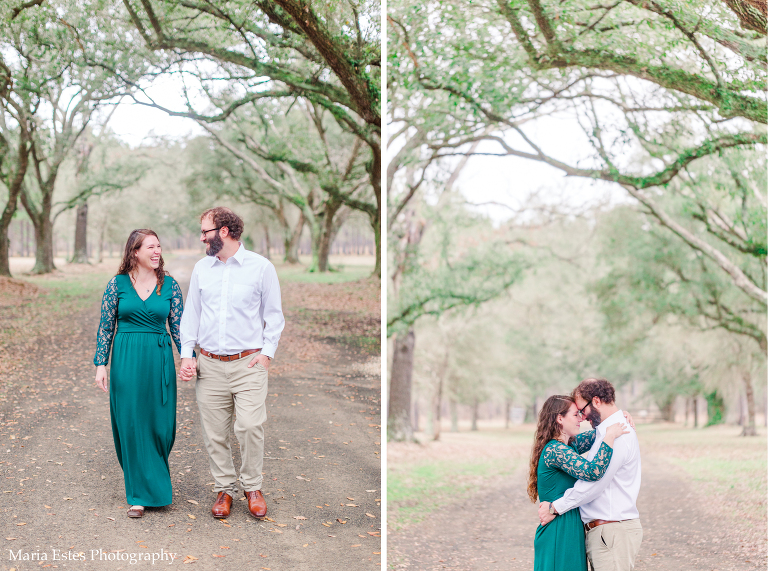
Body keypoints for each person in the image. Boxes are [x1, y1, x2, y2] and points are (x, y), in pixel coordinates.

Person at [178, 207, 284, 520]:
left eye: (204, 232)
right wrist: (188, 355)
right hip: (209, 365)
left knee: (250, 426)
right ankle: (224, 489)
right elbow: (192, 314)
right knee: (215, 433)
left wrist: (266, 354)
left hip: (249, 363)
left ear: (223, 231)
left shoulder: (261, 268)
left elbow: (274, 315)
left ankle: (253, 487)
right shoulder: (202, 268)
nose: (201, 238)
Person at [94, 229, 184, 518]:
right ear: (134, 252)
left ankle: (153, 481)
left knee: (160, 426)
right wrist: (100, 364)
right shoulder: (116, 285)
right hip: (127, 361)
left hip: (158, 360)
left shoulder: (170, 286)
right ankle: (139, 495)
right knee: (131, 424)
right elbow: (106, 326)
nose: (157, 251)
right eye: (150, 247)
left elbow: (179, 327)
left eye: (159, 246)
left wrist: (188, 358)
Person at [538, 378, 643, 571]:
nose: (582, 418)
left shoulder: (613, 434)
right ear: (559, 419)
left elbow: (594, 481)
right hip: (578, 529)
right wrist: (615, 423)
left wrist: (554, 508)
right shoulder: (563, 447)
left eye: (582, 411)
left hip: (609, 530)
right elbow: (592, 470)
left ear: (595, 401)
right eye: (576, 413)